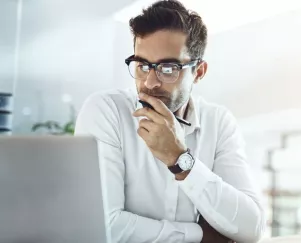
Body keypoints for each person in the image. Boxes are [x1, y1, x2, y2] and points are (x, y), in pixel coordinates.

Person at [74, 0, 265, 242]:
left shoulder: (218, 122)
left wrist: (180, 159)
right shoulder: (105, 112)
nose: (150, 82)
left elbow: (251, 227)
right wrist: (200, 235)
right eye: (142, 65)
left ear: (199, 72)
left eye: (168, 68)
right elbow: (101, 227)